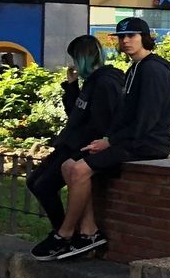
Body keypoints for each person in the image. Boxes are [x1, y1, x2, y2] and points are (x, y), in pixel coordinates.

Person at [38, 18, 170, 262]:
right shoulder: (135, 68)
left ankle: (64, 233)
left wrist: (110, 142)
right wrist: (108, 139)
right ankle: (89, 231)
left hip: (148, 144)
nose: (125, 41)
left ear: (144, 38)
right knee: (68, 166)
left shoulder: (153, 70)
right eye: (121, 37)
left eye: (131, 36)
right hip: (129, 141)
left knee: (79, 169)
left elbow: (147, 120)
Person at [28, 35, 123, 259]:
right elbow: (77, 114)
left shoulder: (105, 82)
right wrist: (71, 87)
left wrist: (89, 148)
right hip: (69, 143)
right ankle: (66, 233)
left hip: (81, 147)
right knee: (34, 182)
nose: (73, 65)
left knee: (44, 185)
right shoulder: (92, 82)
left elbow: (103, 124)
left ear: (82, 58)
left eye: (74, 59)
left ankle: (64, 235)